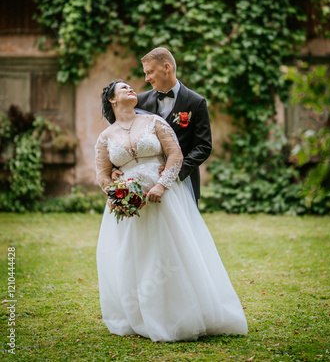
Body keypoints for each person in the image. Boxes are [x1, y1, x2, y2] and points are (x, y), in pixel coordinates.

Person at [95, 80, 248, 342]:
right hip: (130, 208)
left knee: (169, 256)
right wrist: (117, 193)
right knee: (137, 258)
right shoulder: (105, 137)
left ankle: (181, 313)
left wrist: (162, 185)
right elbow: (102, 174)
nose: (132, 89)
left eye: (132, 87)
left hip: (164, 199)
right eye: (124, 89)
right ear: (112, 100)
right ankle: (141, 314)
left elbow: (175, 155)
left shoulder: (154, 122)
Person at [113, 47, 212, 204]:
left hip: (183, 182)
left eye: (150, 72)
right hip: (147, 184)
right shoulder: (141, 101)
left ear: (167, 68)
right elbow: (123, 134)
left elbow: (203, 146)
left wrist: (174, 171)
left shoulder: (196, 102)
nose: (147, 78)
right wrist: (114, 168)